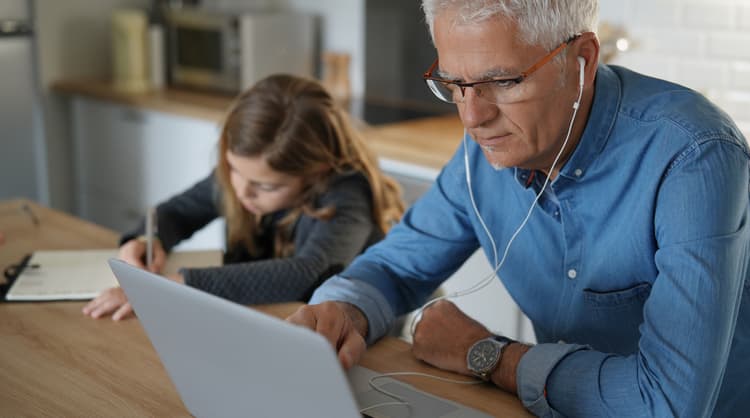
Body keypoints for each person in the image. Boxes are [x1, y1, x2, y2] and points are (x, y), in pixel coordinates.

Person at [286, 1, 750, 417]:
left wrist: (487, 354)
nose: (472, 118)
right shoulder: (484, 153)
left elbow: (667, 405)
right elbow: (395, 268)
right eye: (455, 84)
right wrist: (343, 311)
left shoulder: (693, 156)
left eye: (503, 81)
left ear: (583, 60)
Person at [83, 74, 405, 321]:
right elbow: (176, 212)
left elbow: (306, 272)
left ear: (316, 171)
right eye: (234, 170)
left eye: (266, 186)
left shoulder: (348, 192)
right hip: (269, 322)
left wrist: (175, 286)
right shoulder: (244, 175)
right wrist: (145, 240)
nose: (242, 191)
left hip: (365, 341)